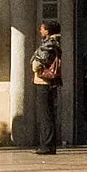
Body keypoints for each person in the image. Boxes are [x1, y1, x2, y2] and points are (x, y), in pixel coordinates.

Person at [28, 19, 63, 154]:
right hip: (49, 83)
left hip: (44, 81)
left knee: (45, 114)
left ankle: (46, 145)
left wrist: (35, 65)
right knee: (48, 113)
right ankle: (49, 144)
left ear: (48, 31)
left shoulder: (49, 44)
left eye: (42, 29)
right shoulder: (55, 43)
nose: (40, 31)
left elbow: (39, 61)